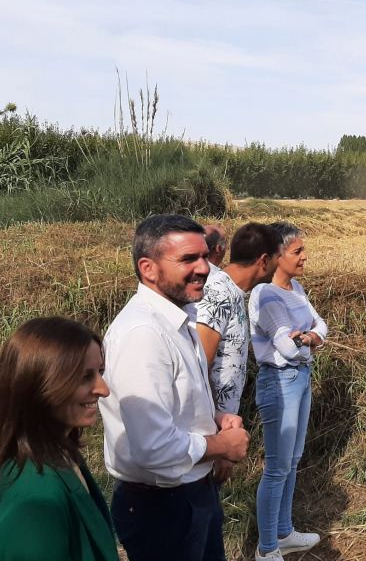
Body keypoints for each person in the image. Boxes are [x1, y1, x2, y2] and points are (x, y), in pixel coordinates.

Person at [100, 214, 250, 561]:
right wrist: (220, 444)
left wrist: (214, 418)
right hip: (161, 505)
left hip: (189, 493)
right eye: (187, 259)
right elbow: (153, 448)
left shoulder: (179, 318)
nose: (204, 268)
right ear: (148, 268)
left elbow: (180, 400)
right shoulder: (144, 335)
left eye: (204, 256)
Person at [0, 317, 119, 561]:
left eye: (100, 372)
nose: (104, 389)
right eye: (85, 377)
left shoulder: (61, 459)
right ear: (40, 385)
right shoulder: (34, 497)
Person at [249, 222, 328, 560]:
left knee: (292, 461)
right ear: (277, 255)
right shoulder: (265, 294)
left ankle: (283, 532)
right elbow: (285, 346)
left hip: (300, 378)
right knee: (277, 466)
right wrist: (307, 341)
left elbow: (320, 326)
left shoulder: (296, 288)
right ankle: (266, 549)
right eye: (297, 251)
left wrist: (308, 337)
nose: (304, 257)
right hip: (280, 383)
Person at [196, 222, 281, 418]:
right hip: (209, 424)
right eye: (278, 258)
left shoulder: (233, 292)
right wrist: (216, 418)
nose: (279, 266)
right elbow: (199, 365)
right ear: (264, 261)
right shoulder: (218, 294)